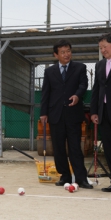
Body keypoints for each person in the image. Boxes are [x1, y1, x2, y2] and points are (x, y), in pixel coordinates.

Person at [40, 39, 92, 189]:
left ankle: (81, 178)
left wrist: (77, 95)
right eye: (62, 52)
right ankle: (65, 176)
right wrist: (44, 113)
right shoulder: (49, 71)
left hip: (73, 114)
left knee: (75, 147)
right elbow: (46, 93)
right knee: (58, 148)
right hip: (55, 115)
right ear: (56, 55)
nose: (66, 54)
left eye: (68, 51)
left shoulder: (80, 68)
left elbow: (84, 84)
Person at [90, 33, 111, 193]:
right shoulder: (100, 65)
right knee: (110, 150)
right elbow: (97, 89)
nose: (103, 50)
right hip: (104, 114)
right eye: (101, 48)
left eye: (105, 47)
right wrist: (94, 112)